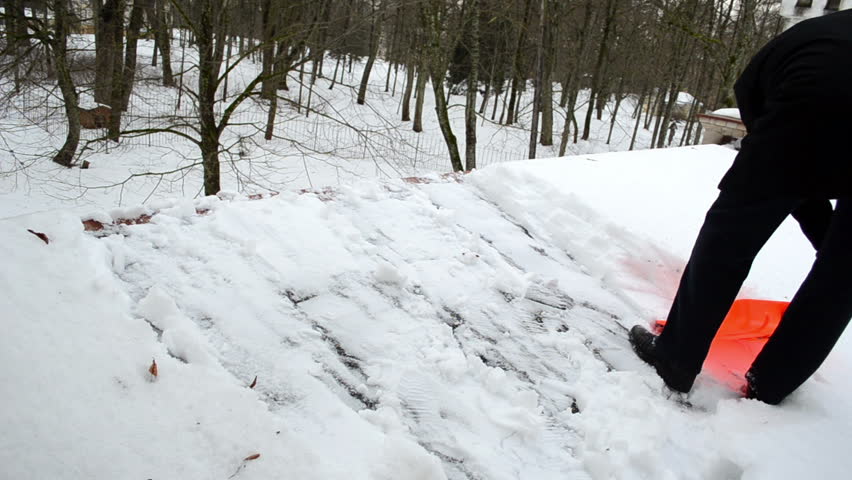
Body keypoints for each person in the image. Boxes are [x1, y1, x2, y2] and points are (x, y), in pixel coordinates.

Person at [629, 10, 852, 405]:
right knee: (842, 276)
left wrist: (785, 184)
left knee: (730, 236)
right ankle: (773, 384)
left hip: (813, 98)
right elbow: (807, 177)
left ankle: (676, 359)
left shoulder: (811, 38)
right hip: (815, 97)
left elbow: (790, 164)